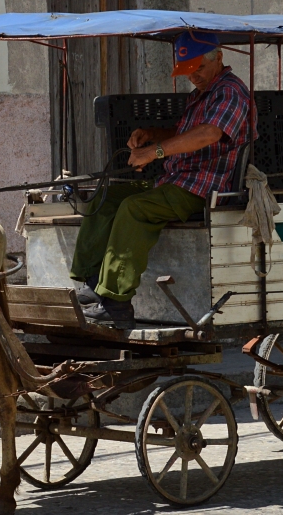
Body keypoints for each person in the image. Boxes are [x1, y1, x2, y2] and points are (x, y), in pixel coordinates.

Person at [71, 31, 254, 328]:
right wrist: (153, 135)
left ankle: (116, 303)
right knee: (107, 196)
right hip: (177, 179)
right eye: (188, 72)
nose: (193, 77)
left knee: (134, 207)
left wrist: (155, 152)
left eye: (199, 69)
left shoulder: (230, 91)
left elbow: (209, 133)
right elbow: (185, 133)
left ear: (218, 58)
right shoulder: (201, 94)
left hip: (205, 187)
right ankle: (93, 282)